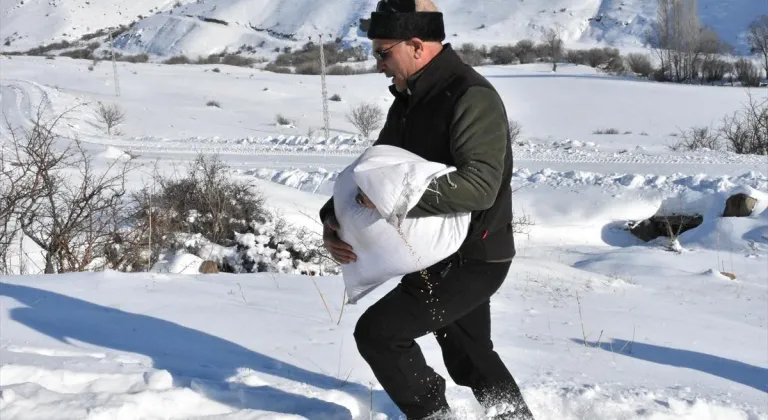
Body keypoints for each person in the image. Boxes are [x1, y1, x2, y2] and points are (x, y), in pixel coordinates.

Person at [318, 1, 535, 419]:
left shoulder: (471, 97)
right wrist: (333, 219)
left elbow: (480, 188)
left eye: (383, 52)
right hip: (436, 251)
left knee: (380, 335)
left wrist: (393, 201)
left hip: (473, 256)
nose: (378, 64)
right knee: (470, 355)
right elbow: (375, 172)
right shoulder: (409, 99)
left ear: (416, 46)